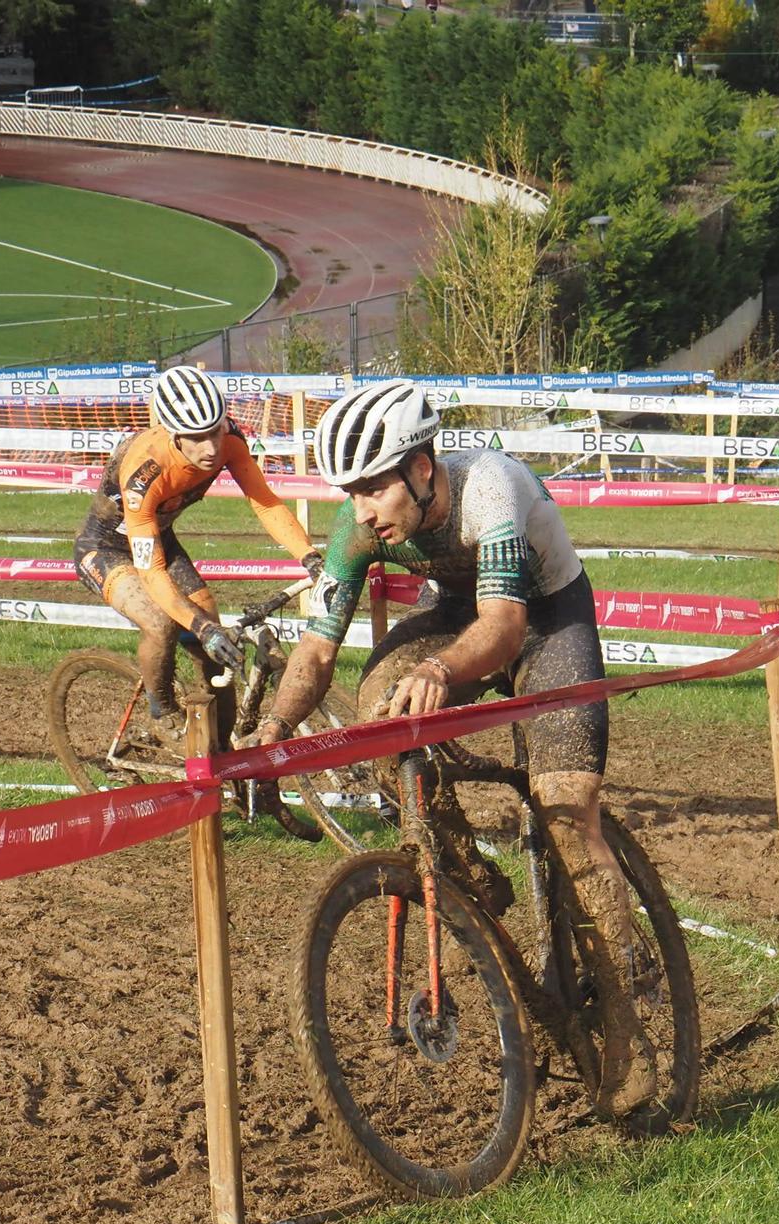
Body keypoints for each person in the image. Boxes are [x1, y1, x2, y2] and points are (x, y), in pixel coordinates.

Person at [254, 379, 663, 1117]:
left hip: (547, 620)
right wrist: (273, 732)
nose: (362, 510)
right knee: (379, 712)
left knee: (566, 811)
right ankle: (470, 872)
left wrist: (442, 670)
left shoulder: (490, 487)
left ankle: (629, 1029)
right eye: (351, 493)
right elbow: (316, 651)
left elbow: (505, 627)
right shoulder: (358, 527)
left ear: (421, 469)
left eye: (373, 488)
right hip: (458, 612)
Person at [73, 365, 323, 743]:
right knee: (161, 622)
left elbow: (265, 502)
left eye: (215, 431)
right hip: (107, 549)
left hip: (160, 538)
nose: (211, 448)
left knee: (215, 641)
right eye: (196, 438)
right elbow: (152, 571)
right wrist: (200, 628)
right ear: (174, 435)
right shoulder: (145, 470)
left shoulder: (230, 439)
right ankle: (162, 711)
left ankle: (220, 748)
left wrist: (310, 557)